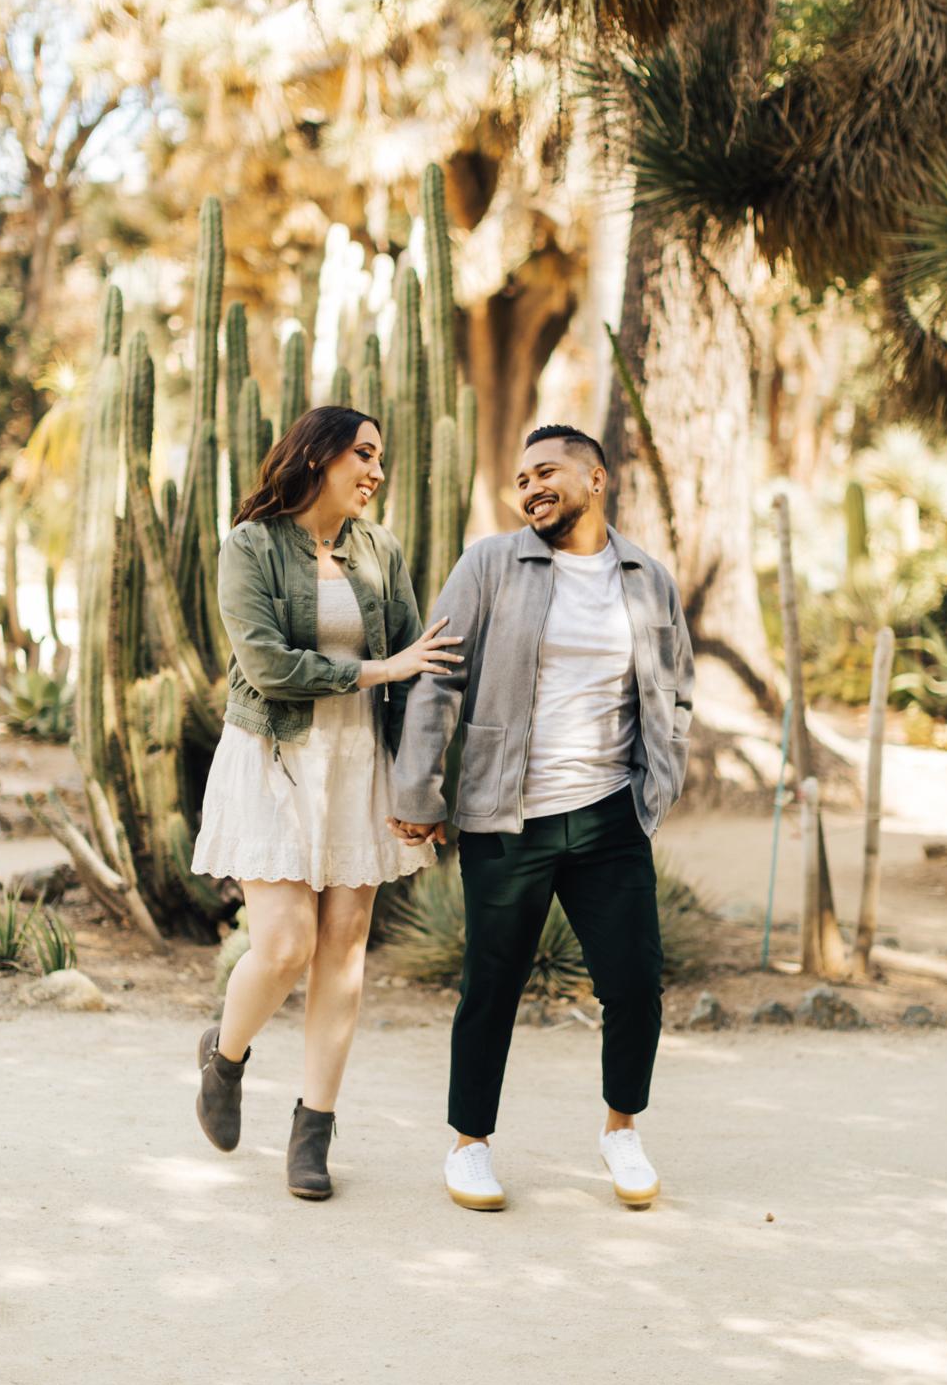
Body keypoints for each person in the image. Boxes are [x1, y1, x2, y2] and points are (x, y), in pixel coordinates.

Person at [389, 424, 694, 1212]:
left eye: (547, 472)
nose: (530, 488)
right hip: (507, 815)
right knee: (491, 985)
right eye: (522, 479)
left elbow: (676, 690)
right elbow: (437, 680)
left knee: (635, 984)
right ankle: (470, 1145)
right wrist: (419, 794)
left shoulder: (647, 579)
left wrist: (659, 785)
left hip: (610, 816)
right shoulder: (489, 564)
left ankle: (621, 1131)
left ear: (595, 479)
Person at [191, 405, 462, 1200]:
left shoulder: (379, 550)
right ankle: (224, 1057)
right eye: (363, 454)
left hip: (357, 765)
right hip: (276, 759)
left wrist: (421, 789)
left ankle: (313, 1130)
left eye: (380, 457)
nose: (376, 470)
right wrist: (382, 669)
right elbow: (269, 667)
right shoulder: (251, 546)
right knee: (283, 947)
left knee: (343, 950)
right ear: (317, 455)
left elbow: (421, 670)